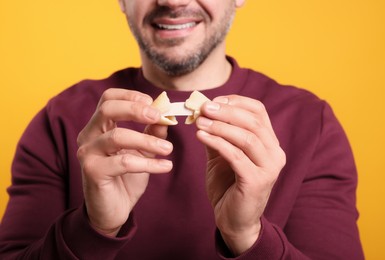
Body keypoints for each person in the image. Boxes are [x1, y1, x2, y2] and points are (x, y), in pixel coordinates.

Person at [0, 0, 364, 259]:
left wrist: (246, 235)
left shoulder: (310, 123)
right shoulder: (62, 119)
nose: (172, 1)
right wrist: (93, 228)